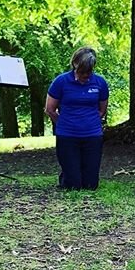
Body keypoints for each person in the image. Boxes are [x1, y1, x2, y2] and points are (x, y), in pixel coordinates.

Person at [45, 47, 109, 190]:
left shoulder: (100, 83)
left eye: (88, 72)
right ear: (75, 65)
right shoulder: (61, 82)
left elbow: (102, 110)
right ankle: (68, 175)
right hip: (68, 135)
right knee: (73, 185)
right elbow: (50, 109)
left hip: (92, 135)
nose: (85, 75)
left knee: (91, 185)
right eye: (82, 72)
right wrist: (63, 123)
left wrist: (89, 122)